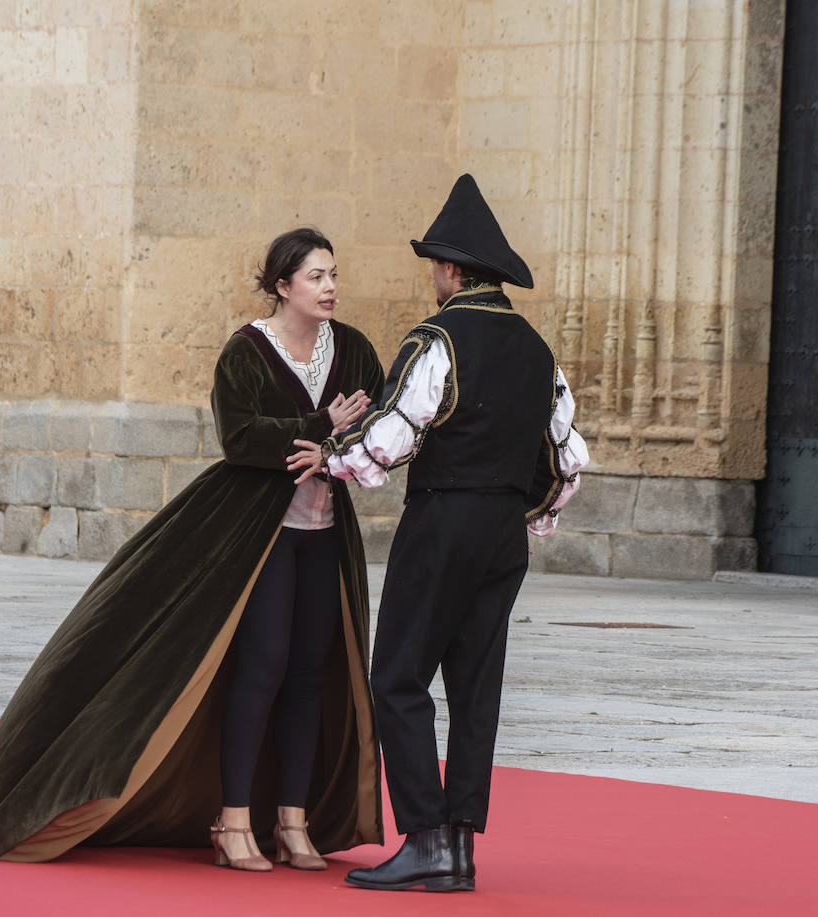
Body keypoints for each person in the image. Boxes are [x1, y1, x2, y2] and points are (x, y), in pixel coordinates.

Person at [0, 228, 386, 871]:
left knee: (312, 671)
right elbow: (241, 439)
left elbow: (376, 424)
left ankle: (293, 822)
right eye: (316, 276)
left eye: (334, 274)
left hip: (325, 532)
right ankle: (232, 824)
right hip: (254, 534)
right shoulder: (247, 353)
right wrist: (319, 428)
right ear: (283, 286)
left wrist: (337, 445)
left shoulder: (357, 351)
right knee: (264, 666)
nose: (330, 287)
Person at [295, 175, 588, 892]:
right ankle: (459, 845)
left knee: (396, 674)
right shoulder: (537, 349)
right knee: (476, 684)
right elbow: (567, 458)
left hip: (446, 521)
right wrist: (523, 510)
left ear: (454, 270)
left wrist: (331, 459)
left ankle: (424, 835)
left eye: (435, 265)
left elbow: (396, 433)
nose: (432, 276)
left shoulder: (440, 338)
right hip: (502, 533)